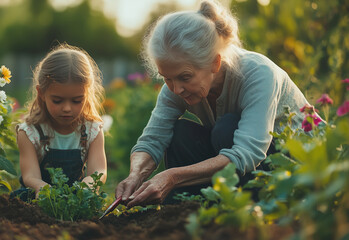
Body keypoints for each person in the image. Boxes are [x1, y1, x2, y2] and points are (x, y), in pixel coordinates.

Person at [116, 0, 312, 208]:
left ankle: (252, 211)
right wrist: (135, 175)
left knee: (226, 129)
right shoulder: (177, 84)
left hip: (300, 169)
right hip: (249, 167)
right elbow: (153, 139)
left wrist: (172, 177)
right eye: (167, 78)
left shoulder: (258, 74)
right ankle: (189, 212)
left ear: (214, 63)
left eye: (185, 77)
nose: (176, 89)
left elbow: (248, 153)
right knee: (179, 133)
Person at [11, 44, 107, 201]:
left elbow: (99, 171)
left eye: (77, 101)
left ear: (87, 94)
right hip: (39, 199)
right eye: (57, 100)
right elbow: (30, 176)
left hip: (77, 199)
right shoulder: (30, 132)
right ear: (41, 93)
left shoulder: (92, 130)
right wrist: (43, 189)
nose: (67, 108)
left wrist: (87, 186)